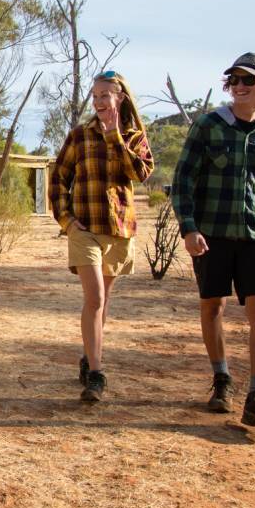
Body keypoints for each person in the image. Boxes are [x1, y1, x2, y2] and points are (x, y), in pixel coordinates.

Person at [171, 53, 255, 432]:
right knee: (213, 305)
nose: (240, 86)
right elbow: (183, 180)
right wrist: (189, 227)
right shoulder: (209, 126)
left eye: (248, 80)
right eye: (234, 80)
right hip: (211, 234)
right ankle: (222, 379)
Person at [49, 70, 154, 402]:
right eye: (94, 96)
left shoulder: (135, 137)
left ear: (119, 98)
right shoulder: (79, 136)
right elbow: (58, 178)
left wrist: (115, 137)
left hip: (118, 229)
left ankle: (88, 353)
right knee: (94, 298)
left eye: (104, 95)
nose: (98, 102)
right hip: (85, 228)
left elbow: (139, 173)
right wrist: (66, 220)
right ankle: (96, 374)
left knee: (103, 301)